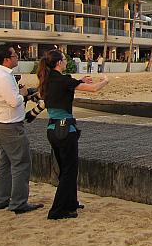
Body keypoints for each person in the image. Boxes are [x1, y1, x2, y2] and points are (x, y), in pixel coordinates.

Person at [37, 50, 109, 219]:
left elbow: (65, 87)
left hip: (52, 129)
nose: (65, 61)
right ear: (58, 63)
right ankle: (57, 210)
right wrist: (105, 81)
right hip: (65, 130)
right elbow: (93, 89)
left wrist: (80, 80)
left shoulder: (47, 80)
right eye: (64, 59)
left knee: (65, 169)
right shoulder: (63, 80)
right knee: (70, 170)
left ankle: (70, 203)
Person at [0, 44, 44, 214]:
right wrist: (24, 94)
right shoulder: (3, 77)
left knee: (5, 163)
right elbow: (14, 101)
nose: (17, 57)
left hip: (2, 123)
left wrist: (23, 93)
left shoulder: (0, 75)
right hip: (10, 126)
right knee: (21, 163)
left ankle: (1, 199)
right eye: (14, 55)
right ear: (7, 59)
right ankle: (19, 203)